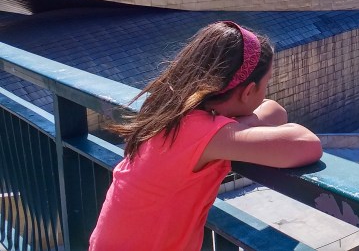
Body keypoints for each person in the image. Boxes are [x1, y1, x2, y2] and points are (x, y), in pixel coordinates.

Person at [90, 22, 323, 251]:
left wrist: (237, 125)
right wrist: (236, 129)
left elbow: (275, 111)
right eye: (265, 84)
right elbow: (306, 144)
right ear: (249, 91)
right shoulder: (204, 133)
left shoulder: (171, 113)